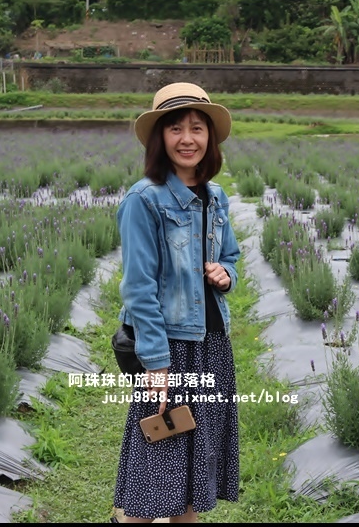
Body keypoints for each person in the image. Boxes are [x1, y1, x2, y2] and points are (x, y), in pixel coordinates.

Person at [112, 82, 241, 523]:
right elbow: (138, 289)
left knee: (192, 476)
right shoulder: (143, 200)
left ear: (211, 137)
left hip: (211, 344)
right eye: (175, 128)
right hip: (169, 349)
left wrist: (227, 275)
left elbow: (230, 256)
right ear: (159, 138)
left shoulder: (216, 197)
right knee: (155, 476)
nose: (188, 138)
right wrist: (156, 365)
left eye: (197, 128)